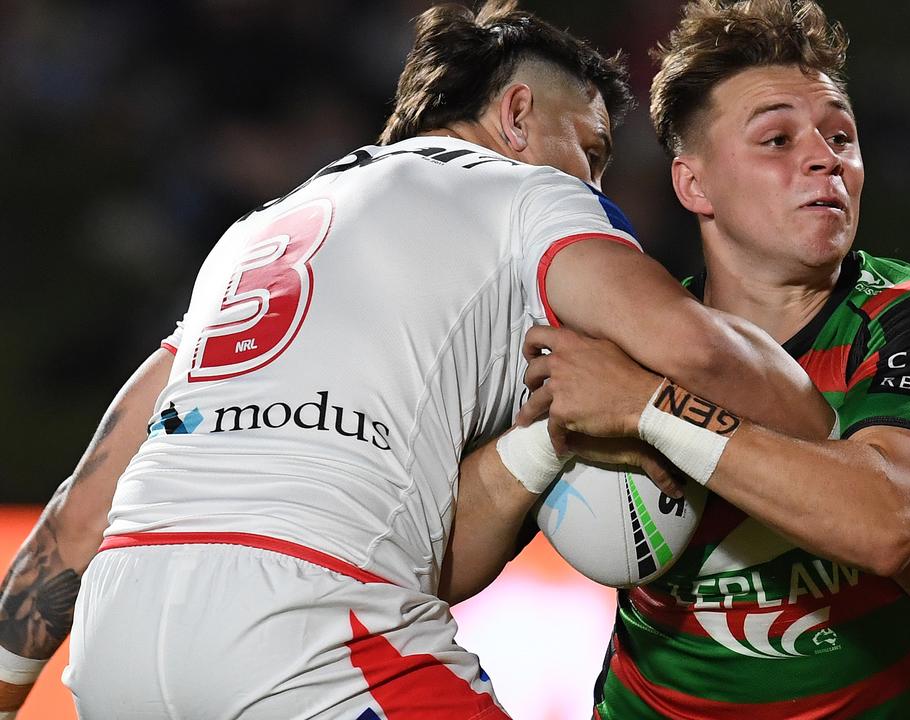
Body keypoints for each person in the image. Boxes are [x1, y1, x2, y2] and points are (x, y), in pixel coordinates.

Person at [0, 2, 840, 718]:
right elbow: (697, 351)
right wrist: (842, 470)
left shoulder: (262, 234)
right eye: (588, 149)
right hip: (304, 628)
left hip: (118, 645)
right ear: (516, 118)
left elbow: (81, 514)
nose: (594, 180)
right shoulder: (527, 195)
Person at [510, 1, 910, 717]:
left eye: (841, 136)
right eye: (776, 138)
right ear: (694, 185)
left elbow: (885, 521)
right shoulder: (622, 342)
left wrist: (654, 413)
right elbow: (461, 546)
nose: (825, 157)